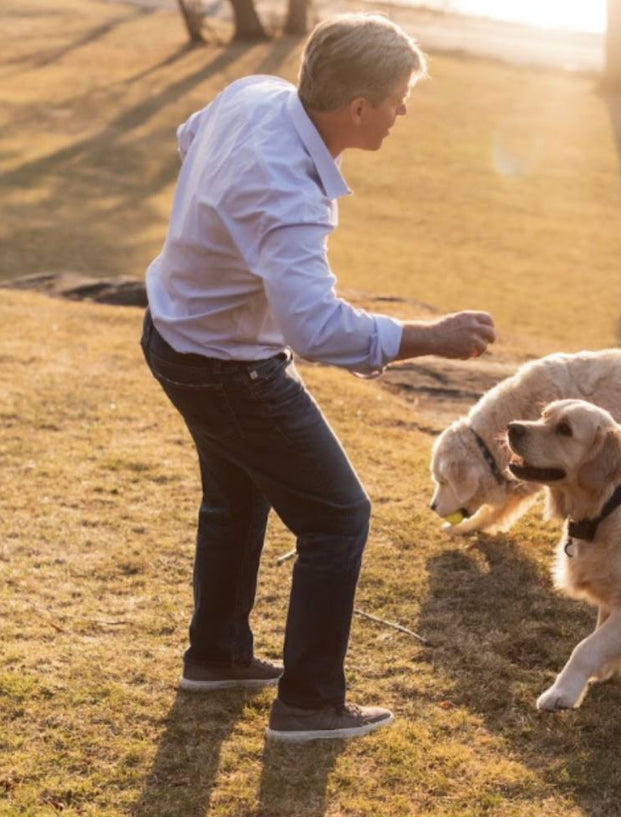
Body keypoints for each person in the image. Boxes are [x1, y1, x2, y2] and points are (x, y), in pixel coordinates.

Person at [141, 13, 495, 742]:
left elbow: (189, 137)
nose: (405, 111)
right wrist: (430, 336)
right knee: (338, 516)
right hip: (225, 367)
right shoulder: (287, 196)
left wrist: (225, 245)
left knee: (235, 498)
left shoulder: (253, 93)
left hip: (173, 335)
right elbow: (316, 330)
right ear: (358, 108)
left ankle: (216, 657)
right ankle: (307, 705)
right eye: (399, 98)